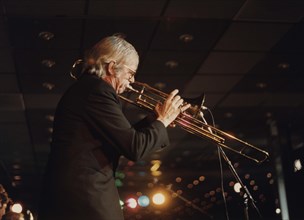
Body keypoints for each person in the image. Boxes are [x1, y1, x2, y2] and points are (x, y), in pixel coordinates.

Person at [38, 36, 190, 220]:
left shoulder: (88, 88)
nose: (132, 81)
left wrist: (156, 120)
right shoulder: (97, 90)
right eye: (130, 73)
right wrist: (163, 120)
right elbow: (134, 148)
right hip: (83, 197)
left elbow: (122, 138)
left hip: (74, 195)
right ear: (111, 67)